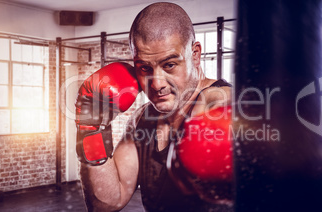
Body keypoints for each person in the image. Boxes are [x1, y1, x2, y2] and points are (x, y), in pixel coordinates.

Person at [76, 2, 232, 211]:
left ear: (195, 55)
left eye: (169, 65)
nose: (156, 83)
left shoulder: (222, 103)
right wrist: (90, 129)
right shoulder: (141, 120)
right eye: (144, 68)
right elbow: (106, 203)